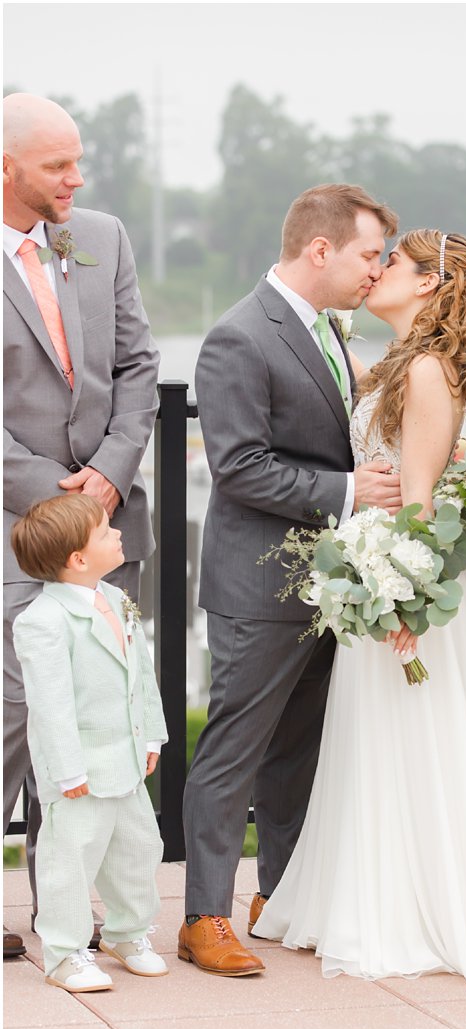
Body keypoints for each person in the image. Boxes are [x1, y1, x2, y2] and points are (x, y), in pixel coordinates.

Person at [252, 230, 466, 987]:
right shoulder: (399, 364)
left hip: (409, 585)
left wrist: (398, 597)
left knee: (419, 743)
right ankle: (369, 894)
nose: (376, 270)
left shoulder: (428, 371)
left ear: (429, 283)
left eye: (390, 262)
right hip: (382, 575)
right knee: (379, 742)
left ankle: (420, 908)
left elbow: (424, 505)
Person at [181, 184, 402, 976]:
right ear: (321, 250)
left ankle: (280, 896)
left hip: (326, 584)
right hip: (258, 586)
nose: (376, 271)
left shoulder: (330, 332)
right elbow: (238, 467)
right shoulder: (240, 335)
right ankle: (205, 914)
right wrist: (350, 491)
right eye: (369, 254)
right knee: (234, 750)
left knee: (298, 751)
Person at [2, 92, 160, 960]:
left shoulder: (100, 235)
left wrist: (113, 467)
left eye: (78, 159)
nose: (77, 177)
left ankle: (70, 914)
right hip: (15, 524)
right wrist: (50, 492)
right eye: (58, 164)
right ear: (6, 169)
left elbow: (139, 362)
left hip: (104, 517)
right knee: (14, 714)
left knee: (101, 709)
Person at [10, 494, 169, 992]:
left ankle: (127, 933)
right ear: (78, 559)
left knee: (140, 849)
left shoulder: (117, 599)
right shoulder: (42, 620)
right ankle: (64, 952)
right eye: (105, 532)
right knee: (71, 859)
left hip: (125, 759)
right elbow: (50, 704)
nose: (118, 534)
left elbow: (140, 674)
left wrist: (153, 732)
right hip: (80, 769)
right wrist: (67, 771)